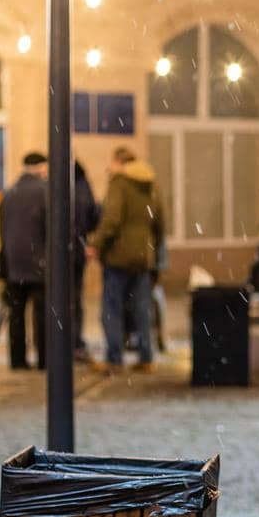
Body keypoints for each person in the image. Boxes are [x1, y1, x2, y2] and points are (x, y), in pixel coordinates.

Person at [87, 145, 164, 375]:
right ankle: (146, 356)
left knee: (112, 308)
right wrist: (153, 250)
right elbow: (160, 224)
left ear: (119, 162)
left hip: (118, 257)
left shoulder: (120, 183)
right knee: (141, 308)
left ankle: (114, 359)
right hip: (143, 258)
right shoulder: (151, 185)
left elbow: (111, 219)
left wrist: (96, 245)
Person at [0, 151, 49, 370]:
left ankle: (17, 360)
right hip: (40, 264)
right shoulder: (45, 192)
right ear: (41, 168)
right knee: (43, 315)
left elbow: (1, 228)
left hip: (13, 265)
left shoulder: (9, 193)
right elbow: (51, 229)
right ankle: (44, 359)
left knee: (16, 315)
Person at [72, 160, 102, 363]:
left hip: (59, 252)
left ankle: (62, 342)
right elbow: (94, 216)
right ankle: (75, 343)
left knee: (59, 300)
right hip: (77, 250)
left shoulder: (57, 186)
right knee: (74, 299)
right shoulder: (84, 187)